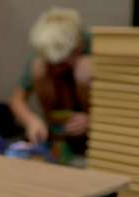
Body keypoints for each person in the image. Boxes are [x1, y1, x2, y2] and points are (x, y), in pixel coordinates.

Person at [9, 7, 92, 149]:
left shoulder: (93, 45)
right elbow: (16, 99)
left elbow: (122, 101)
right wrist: (31, 121)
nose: (56, 70)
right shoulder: (45, 51)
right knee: (39, 67)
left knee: (85, 68)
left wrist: (93, 120)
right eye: (51, 65)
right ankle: (55, 136)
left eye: (60, 64)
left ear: (78, 48)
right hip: (62, 121)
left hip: (94, 127)